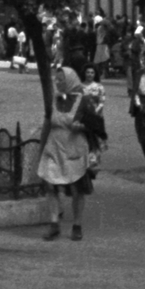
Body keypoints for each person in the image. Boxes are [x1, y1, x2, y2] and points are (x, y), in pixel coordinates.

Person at [37, 67, 100, 241]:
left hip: (75, 150)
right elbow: (47, 123)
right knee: (50, 185)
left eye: (61, 80)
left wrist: (82, 127)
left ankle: (77, 225)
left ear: (70, 81)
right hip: (54, 148)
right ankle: (54, 223)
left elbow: (96, 125)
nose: (57, 83)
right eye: (56, 80)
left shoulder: (84, 100)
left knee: (76, 188)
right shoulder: (55, 100)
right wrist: (41, 148)